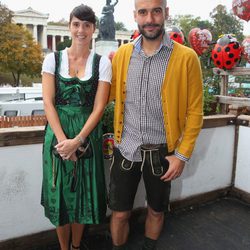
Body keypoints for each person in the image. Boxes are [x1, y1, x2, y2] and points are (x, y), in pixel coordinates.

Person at [108, 0, 203, 249]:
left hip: (162, 153)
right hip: (125, 149)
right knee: (119, 214)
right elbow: (105, 95)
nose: (149, 18)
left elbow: (195, 111)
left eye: (156, 11)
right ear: (135, 16)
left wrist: (181, 155)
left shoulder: (186, 58)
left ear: (165, 14)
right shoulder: (122, 55)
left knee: (156, 211)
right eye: (143, 12)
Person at [41, 4, 111, 250]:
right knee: (59, 194)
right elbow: (48, 103)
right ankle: (64, 248)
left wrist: (78, 141)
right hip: (58, 136)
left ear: (93, 29)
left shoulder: (102, 63)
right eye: (76, 24)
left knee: (83, 195)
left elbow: (99, 107)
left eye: (87, 25)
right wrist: (64, 144)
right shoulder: (53, 58)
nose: (81, 30)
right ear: (70, 26)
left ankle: (76, 246)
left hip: (87, 135)